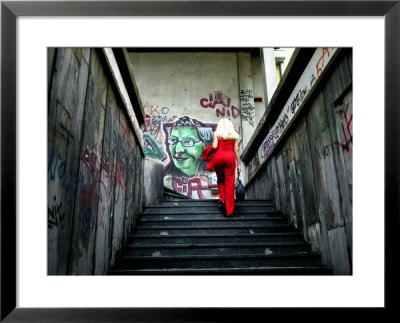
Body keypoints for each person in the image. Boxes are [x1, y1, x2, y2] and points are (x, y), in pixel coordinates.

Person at [211, 118, 241, 216]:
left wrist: (211, 145)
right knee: (229, 183)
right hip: (230, 158)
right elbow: (236, 150)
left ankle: (222, 199)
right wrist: (239, 165)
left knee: (220, 179)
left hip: (218, 157)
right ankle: (229, 211)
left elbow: (214, 147)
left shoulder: (216, 134)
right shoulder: (234, 136)